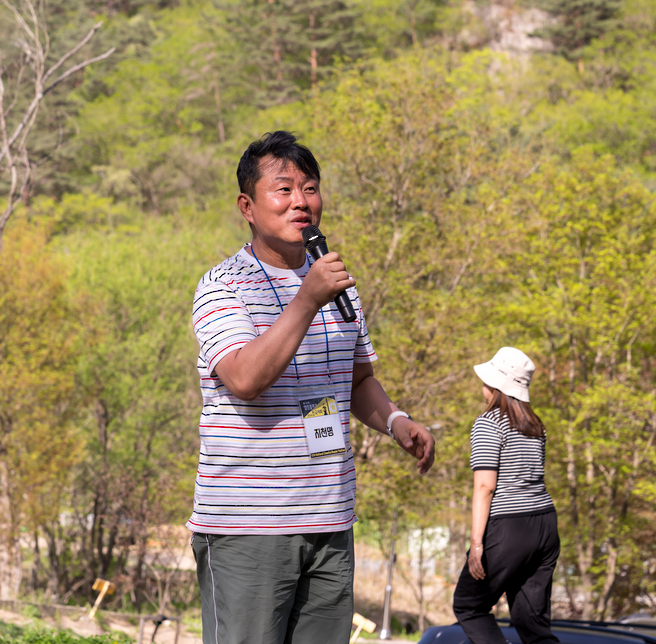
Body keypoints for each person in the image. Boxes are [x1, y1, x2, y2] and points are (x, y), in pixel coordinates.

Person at [188, 130, 435, 644]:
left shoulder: (337, 284)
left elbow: (357, 377)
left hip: (330, 520)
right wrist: (306, 299)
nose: (301, 202)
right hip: (247, 527)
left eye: (310, 188)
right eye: (283, 190)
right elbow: (245, 379)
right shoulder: (222, 286)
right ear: (248, 206)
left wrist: (395, 421)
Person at [452, 347, 560, 644]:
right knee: (533, 624)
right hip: (546, 525)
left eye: (486, 381)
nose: (482, 386)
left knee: (468, 605)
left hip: (510, 526)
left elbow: (485, 486)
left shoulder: (488, 423)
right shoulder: (536, 426)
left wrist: (476, 545)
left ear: (497, 386)